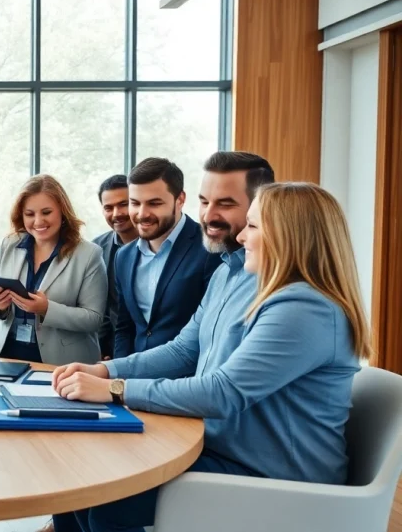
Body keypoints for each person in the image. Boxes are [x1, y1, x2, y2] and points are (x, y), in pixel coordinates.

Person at [50, 181, 369, 532]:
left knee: (111, 502)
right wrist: (104, 370)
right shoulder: (229, 278)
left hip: (277, 478)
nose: (242, 237)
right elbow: (184, 351)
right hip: (220, 449)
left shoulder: (304, 308)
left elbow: (222, 393)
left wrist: (116, 389)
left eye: (253, 226)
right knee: (81, 485)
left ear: (288, 236)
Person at [0, 174, 107, 364]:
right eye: (30, 214)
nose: (38, 221)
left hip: (62, 362)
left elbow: (94, 319)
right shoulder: (9, 244)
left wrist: (47, 309)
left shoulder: (89, 254)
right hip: (8, 355)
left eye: (46, 212)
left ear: (62, 212)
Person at [111, 158, 221, 358]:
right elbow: (124, 327)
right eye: (135, 203)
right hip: (133, 379)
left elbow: (212, 332)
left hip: (186, 379)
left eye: (154, 203)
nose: (142, 214)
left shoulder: (209, 248)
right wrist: (118, 376)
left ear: (180, 200)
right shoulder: (123, 256)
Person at [91, 174, 138, 360]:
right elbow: (99, 307)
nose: (116, 213)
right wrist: (103, 349)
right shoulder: (96, 249)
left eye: (123, 204)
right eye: (108, 208)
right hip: (114, 352)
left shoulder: (158, 244)